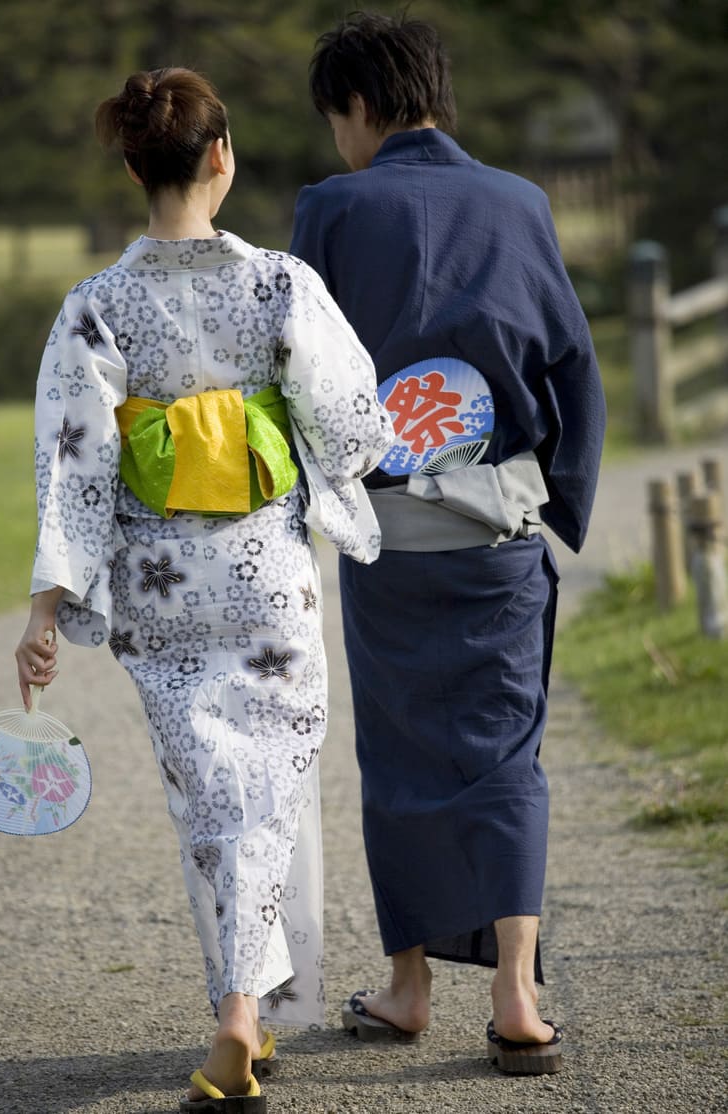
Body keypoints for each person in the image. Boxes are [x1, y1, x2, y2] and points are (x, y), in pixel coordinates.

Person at [15, 66, 393, 1110]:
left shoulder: (96, 306)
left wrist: (47, 607)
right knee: (267, 789)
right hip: (266, 575)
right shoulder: (278, 284)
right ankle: (243, 1009)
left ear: (136, 165)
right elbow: (351, 425)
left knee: (205, 795)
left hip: (156, 582)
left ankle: (241, 1007)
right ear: (219, 157)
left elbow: (72, 466)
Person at [289, 11, 605, 1075]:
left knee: (400, 753)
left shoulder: (329, 209)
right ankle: (517, 996)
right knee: (502, 753)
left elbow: (306, 380)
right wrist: (559, 508)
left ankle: (409, 986)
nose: (339, 137)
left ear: (361, 107)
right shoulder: (518, 202)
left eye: (337, 116)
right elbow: (570, 366)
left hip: (386, 540)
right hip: (499, 529)